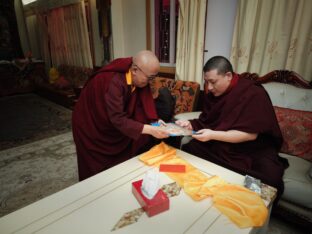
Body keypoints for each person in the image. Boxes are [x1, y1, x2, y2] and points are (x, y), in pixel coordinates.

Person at [176, 56, 288, 200]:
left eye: (213, 82)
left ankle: (242, 198)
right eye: (206, 81)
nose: (208, 88)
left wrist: (212, 135)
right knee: (191, 149)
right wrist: (191, 124)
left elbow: (250, 135)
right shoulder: (215, 93)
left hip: (252, 148)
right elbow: (209, 119)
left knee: (271, 180)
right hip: (223, 143)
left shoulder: (252, 93)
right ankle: (212, 188)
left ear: (228, 76)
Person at [72, 50, 169, 181]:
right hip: (90, 124)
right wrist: (151, 130)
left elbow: (142, 107)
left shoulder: (138, 78)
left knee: (119, 162)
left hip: (111, 121)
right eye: (150, 78)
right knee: (94, 168)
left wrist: (156, 122)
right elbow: (117, 119)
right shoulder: (114, 81)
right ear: (135, 70)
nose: (152, 82)